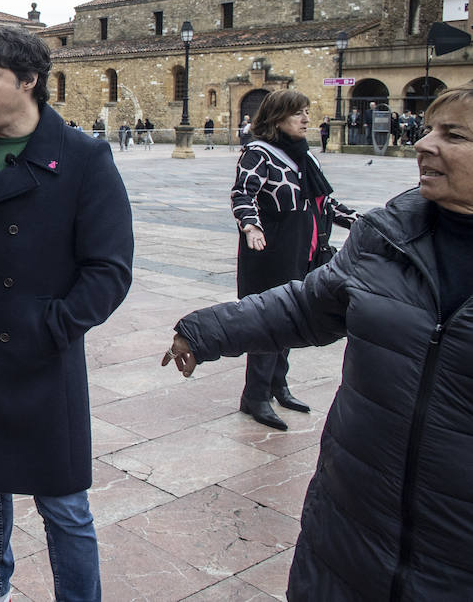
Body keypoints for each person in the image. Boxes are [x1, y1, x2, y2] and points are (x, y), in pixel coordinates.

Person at [163, 82, 473, 601]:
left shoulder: (309, 163)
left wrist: (340, 216)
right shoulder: (391, 236)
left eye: (454, 135)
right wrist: (206, 329)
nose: (423, 143)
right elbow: (308, 304)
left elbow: (325, 199)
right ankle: (259, 393)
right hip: (351, 527)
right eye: (430, 129)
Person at [0, 25, 133, 602]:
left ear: (29, 81)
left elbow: (109, 269)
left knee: (63, 503)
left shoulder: (84, 158)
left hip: (41, 360)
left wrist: (51, 326)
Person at [228, 89, 357, 430]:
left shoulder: (304, 155)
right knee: (269, 320)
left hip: (303, 248)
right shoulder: (259, 152)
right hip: (271, 248)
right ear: (276, 117)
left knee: (293, 317)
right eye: (298, 113)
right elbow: (243, 192)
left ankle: (277, 385)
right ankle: (254, 395)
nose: (306, 118)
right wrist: (250, 224)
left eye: (306, 111)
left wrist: (362, 222)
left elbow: (325, 201)